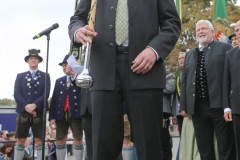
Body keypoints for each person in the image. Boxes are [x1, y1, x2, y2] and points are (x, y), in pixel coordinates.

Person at [68, 0, 181, 159]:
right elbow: (77, 19)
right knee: (103, 145)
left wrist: (154, 50)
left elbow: (172, 23)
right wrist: (78, 30)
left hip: (145, 70)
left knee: (149, 144)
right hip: (103, 70)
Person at [180, 19, 235, 160]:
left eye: (204, 28)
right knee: (204, 147)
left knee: (225, 145)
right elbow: (184, 81)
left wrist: (229, 105)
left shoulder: (225, 49)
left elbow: (232, 76)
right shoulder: (190, 54)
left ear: (212, 32)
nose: (201, 31)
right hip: (198, 108)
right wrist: (184, 105)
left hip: (220, 106)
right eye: (198, 30)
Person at [13, 49, 51, 160]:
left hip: (38, 112)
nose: (33, 60)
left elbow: (46, 93)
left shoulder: (45, 76)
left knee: (39, 140)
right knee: (20, 140)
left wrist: (35, 105)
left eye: (35, 58)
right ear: (28, 61)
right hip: (23, 112)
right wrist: (27, 107)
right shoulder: (20, 76)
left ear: (39, 61)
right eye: (31, 58)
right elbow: (17, 93)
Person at [49, 55, 84, 160]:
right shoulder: (59, 81)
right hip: (61, 114)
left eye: (66, 65)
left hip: (76, 114)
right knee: (60, 139)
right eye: (63, 66)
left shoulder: (80, 78)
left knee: (78, 139)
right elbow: (54, 99)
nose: (64, 68)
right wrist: (51, 117)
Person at [66, 64, 93, 160]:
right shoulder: (86, 60)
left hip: (100, 107)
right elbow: (82, 87)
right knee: (89, 143)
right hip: (86, 109)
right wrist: (74, 74)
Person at [223, 20, 240, 159]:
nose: (238, 33)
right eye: (237, 30)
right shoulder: (231, 54)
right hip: (237, 108)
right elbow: (226, 82)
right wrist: (227, 107)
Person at [162, 72, 175, 160]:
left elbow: (170, 88)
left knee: (164, 140)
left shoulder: (170, 76)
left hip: (163, 113)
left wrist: (154, 85)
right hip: (151, 111)